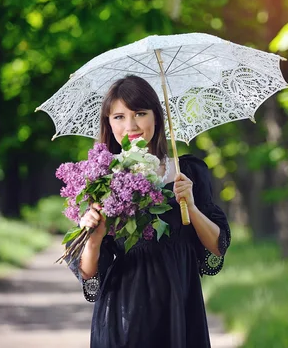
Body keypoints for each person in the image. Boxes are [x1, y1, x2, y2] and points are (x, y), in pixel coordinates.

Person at [67, 74, 231, 347]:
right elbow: (88, 272)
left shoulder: (186, 172)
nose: (130, 125)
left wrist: (190, 205)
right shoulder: (102, 178)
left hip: (180, 306)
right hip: (126, 313)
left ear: (157, 116)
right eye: (118, 116)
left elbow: (217, 247)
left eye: (139, 113)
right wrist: (94, 239)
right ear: (108, 122)